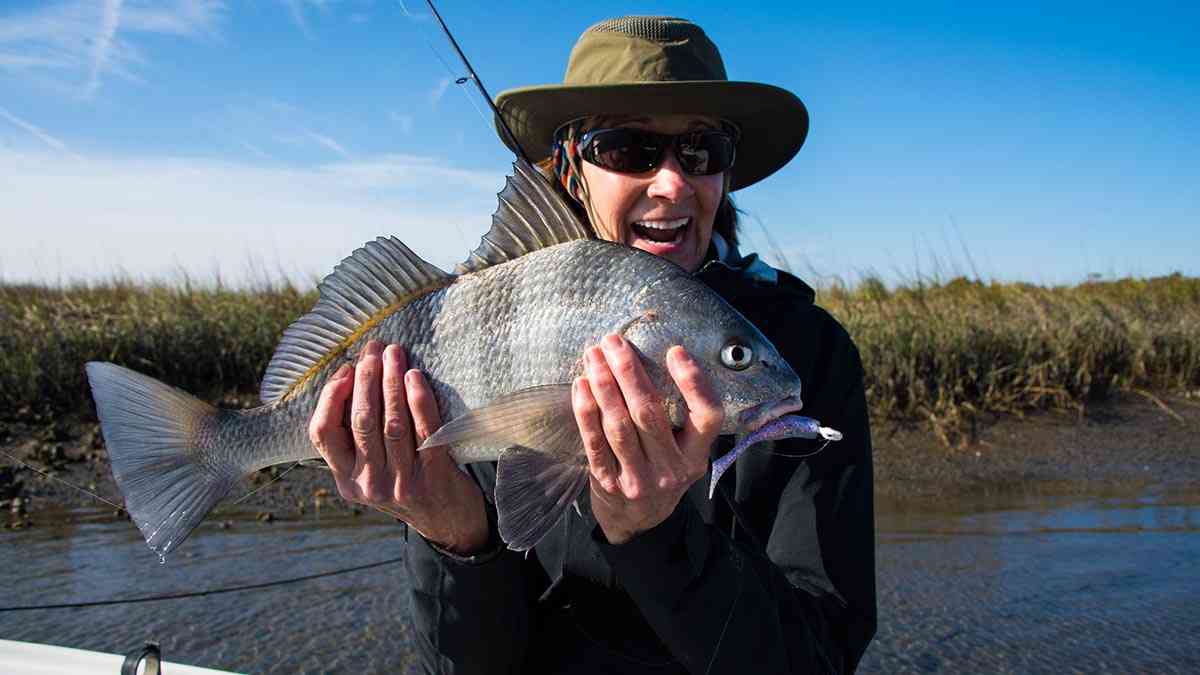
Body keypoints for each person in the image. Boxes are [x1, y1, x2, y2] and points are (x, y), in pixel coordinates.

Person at [308, 15, 876, 674]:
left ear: (725, 173)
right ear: (573, 162)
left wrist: (653, 533)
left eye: (702, 151)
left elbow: (819, 657)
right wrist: (454, 534)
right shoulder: (490, 320)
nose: (672, 183)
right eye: (629, 147)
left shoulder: (809, 354)